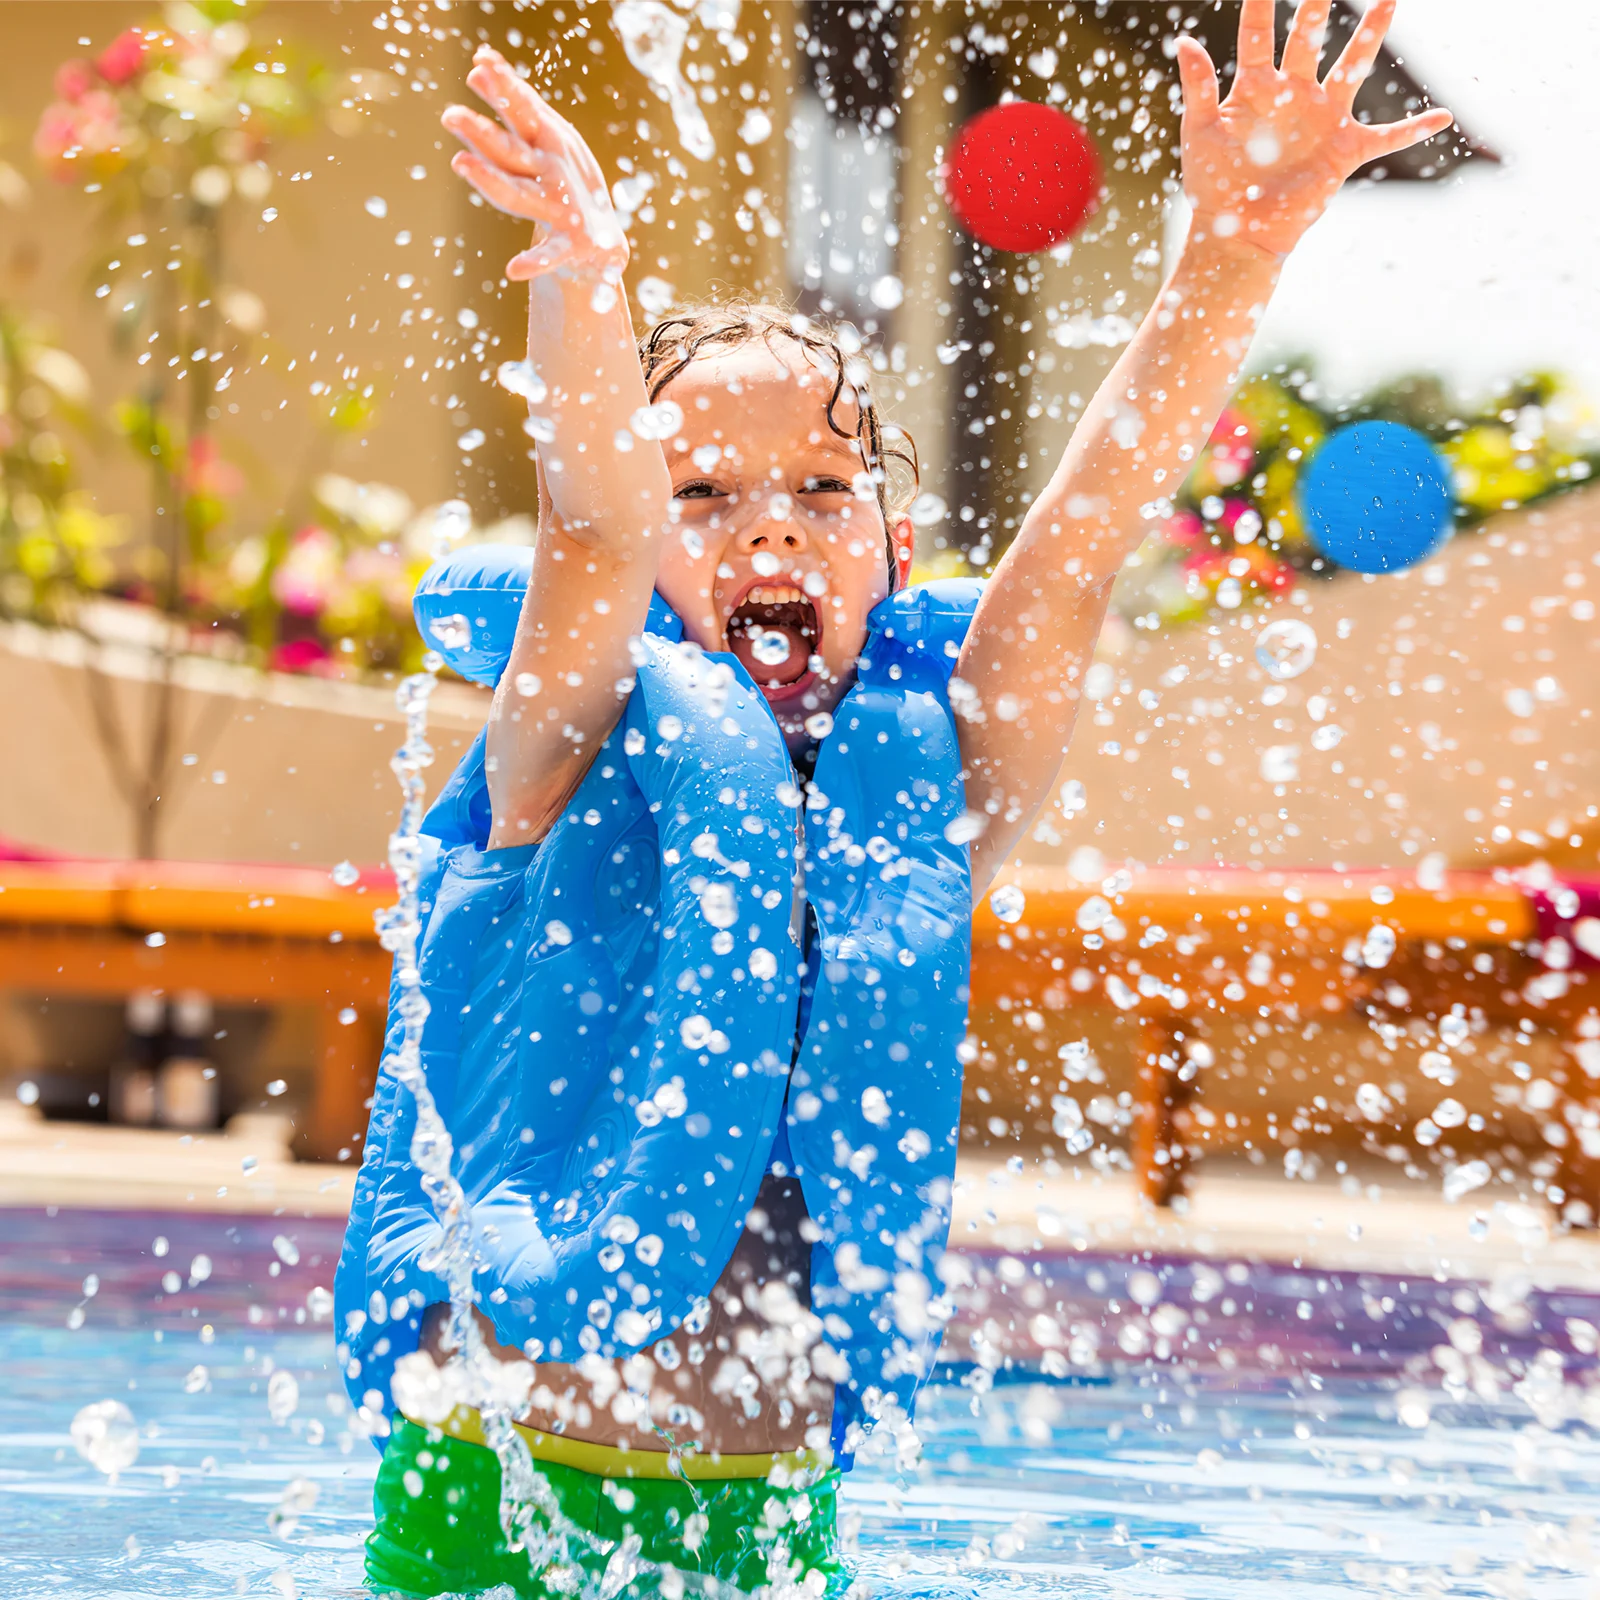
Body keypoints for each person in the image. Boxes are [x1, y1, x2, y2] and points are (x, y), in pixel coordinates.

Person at [339, 2, 1450, 1594]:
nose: (767, 530)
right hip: (493, 1495)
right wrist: (586, 286)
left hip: (768, 1520)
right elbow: (584, 521)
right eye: (702, 495)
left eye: (823, 492)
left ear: (895, 553)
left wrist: (1228, 259)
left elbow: (1070, 560)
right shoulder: (564, 741)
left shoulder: (926, 800)